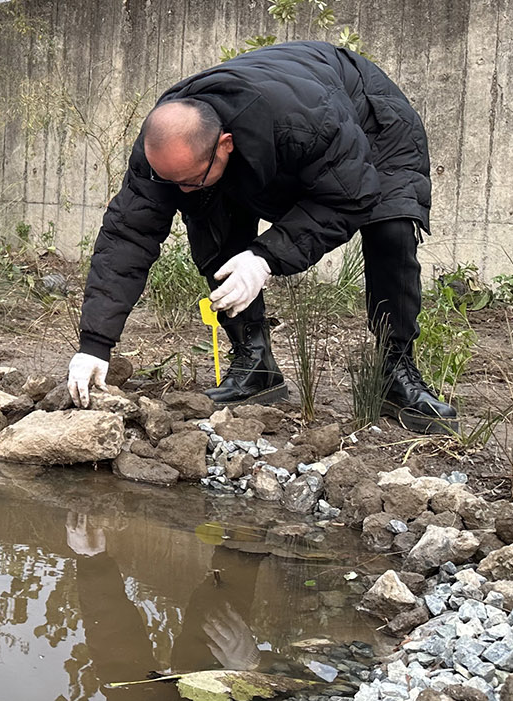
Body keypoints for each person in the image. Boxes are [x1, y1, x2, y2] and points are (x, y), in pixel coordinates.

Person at [68, 41, 456, 434]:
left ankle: (396, 369)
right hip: (282, 126)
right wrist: (94, 345)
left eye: (188, 179)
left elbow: (350, 197)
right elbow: (129, 232)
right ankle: (254, 363)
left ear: (225, 144)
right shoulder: (166, 145)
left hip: (369, 124)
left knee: (391, 229)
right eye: (172, 181)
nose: (178, 191)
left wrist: (265, 257)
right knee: (208, 213)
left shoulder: (307, 121)